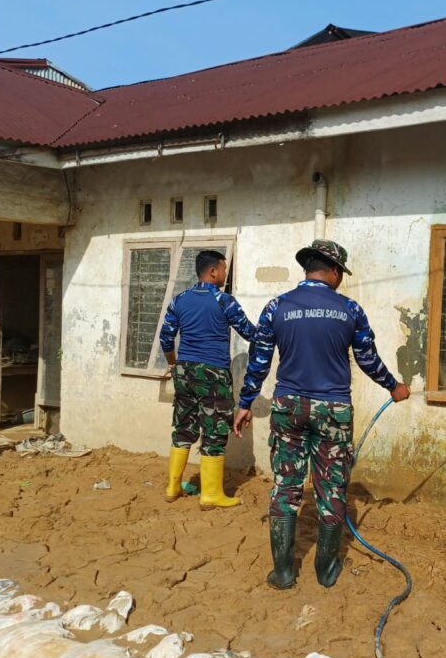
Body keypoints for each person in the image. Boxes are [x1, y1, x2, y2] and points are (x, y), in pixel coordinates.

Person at [233, 239, 410, 589]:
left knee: (286, 487)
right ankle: (326, 571)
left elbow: (259, 361)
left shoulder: (276, 307)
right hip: (333, 409)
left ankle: (283, 573)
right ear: (332, 271)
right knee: (331, 489)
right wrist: (393, 387)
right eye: (340, 272)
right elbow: (368, 359)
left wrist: (245, 402)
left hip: (288, 407)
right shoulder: (350, 310)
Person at [160, 249, 255, 507]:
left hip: (184, 371)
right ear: (213, 271)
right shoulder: (224, 301)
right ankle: (211, 494)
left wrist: (173, 364)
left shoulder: (179, 300)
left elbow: (165, 338)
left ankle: (173, 487)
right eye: (224, 268)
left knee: (183, 427)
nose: (225, 273)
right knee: (214, 431)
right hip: (213, 372)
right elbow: (249, 332)